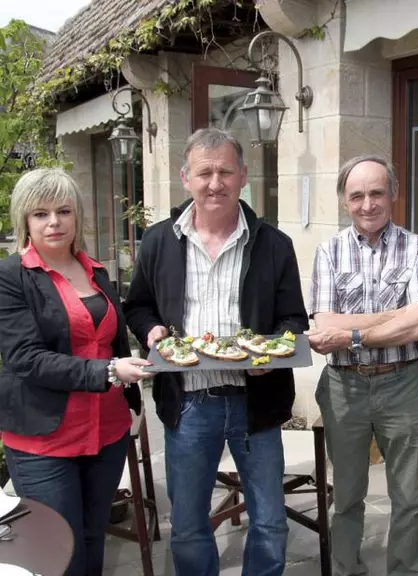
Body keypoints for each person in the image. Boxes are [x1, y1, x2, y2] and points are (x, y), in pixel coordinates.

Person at [124, 127, 308, 576]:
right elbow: (137, 306)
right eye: (204, 172)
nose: (215, 182)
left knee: (269, 522)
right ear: (185, 177)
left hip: (256, 404)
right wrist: (151, 331)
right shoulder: (158, 241)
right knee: (187, 525)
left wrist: (269, 354)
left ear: (243, 176)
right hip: (188, 403)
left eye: (225, 171)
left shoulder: (274, 244)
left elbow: (293, 321)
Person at [0, 168, 152, 576]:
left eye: (64, 211)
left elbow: (109, 338)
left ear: (77, 216)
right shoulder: (10, 277)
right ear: (25, 220)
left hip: (106, 430)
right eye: (41, 213)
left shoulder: (95, 271)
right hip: (44, 437)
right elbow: (26, 358)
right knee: (58, 552)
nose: (54, 222)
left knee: (91, 537)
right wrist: (108, 370)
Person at [306, 154, 418, 576]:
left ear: (394, 195)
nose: (368, 204)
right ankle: (347, 569)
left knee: (409, 496)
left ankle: (406, 571)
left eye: (377, 193)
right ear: (345, 201)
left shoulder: (417, 247)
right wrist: (391, 317)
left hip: (403, 384)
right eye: (357, 195)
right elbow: (323, 327)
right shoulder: (328, 251)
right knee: (346, 494)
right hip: (344, 387)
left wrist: (353, 333)